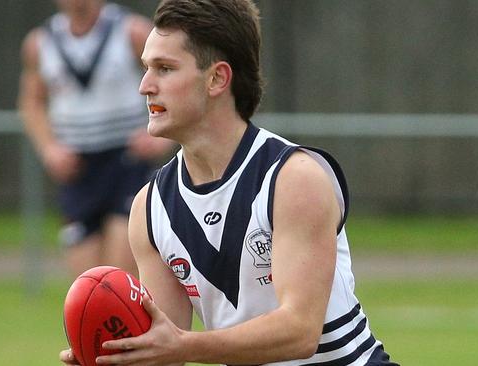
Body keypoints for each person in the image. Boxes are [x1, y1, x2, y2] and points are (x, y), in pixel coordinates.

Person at [60, 0, 398, 364]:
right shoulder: (150, 208)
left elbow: (300, 331)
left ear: (218, 78)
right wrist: (117, 355)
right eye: (145, 68)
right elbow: (165, 347)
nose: (144, 86)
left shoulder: (292, 178)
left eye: (165, 69)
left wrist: (183, 345)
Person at [18, 0, 173, 277]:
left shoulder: (131, 31)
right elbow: (32, 102)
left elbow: (170, 79)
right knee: (85, 283)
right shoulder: (40, 43)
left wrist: (162, 138)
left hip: (126, 161)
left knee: (120, 275)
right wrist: (49, 149)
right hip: (77, 168)